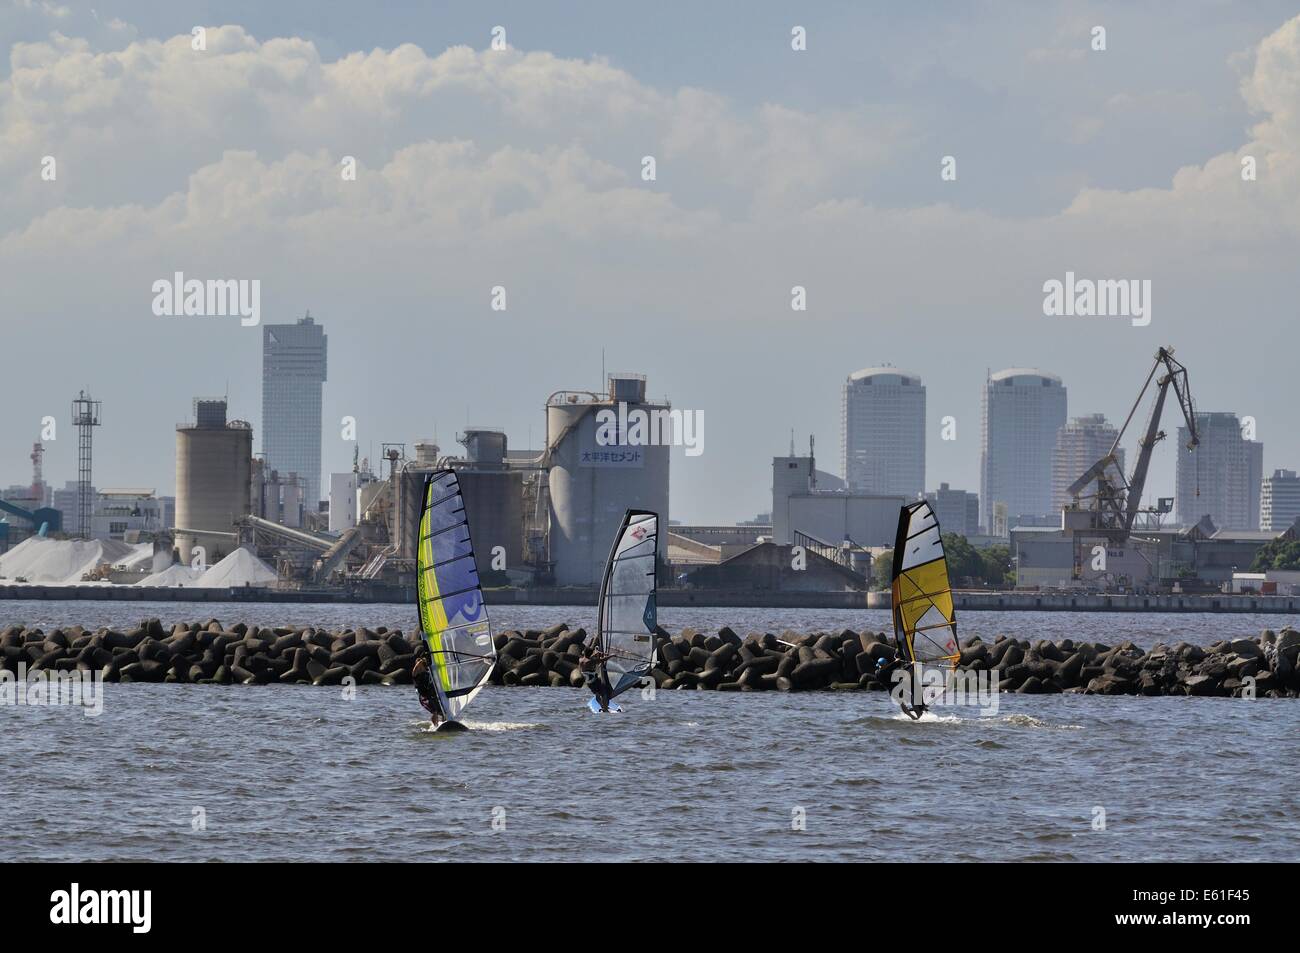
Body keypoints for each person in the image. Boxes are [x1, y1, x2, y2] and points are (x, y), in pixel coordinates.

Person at [412, 642, 446, 727]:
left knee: (443, 711)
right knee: (434, 710)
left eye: (421, 666)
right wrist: (420, 661)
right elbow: (415, 669)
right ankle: (435, 726)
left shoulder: (429, 673)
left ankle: (445, 724)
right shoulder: (416, 675)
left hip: (433, 696)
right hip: (424, 698)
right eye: (418, 666)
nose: (419, 667)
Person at [579, 637, 614, 712]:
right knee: (604, 692)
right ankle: (605, 708)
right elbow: (602, 660)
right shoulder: (590, 662)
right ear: (590, 654)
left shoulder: (581, 660)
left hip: (589, 682)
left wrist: (597, 653)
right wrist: (611, 656)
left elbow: (589, 656)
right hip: (594, 681)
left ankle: (602, 706)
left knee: (597, 694)